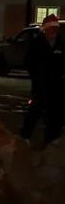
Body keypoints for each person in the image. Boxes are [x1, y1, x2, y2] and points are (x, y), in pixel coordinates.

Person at [20, 14, 65, 145]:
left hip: (56, 84)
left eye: (55, 29)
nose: (53, 32)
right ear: (45, 29)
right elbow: (28, 61)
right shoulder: (37, 43)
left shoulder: (61, 44)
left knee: (55, 112)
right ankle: (25, 137)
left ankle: (50, 140)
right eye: (51, 29)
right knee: (35, 109)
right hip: (40, 83)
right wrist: (36, 75)